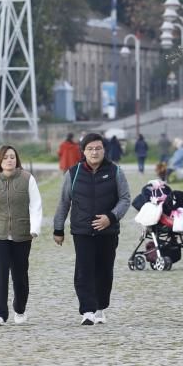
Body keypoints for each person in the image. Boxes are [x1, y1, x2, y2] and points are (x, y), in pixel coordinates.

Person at [53, 132, 131, 325]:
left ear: (104, 150)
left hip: (108, 231)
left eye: (98, 148)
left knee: (104, 271)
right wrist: (58, 228)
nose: (94, 152)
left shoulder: (116, 171)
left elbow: (125, 199)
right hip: (82, 231)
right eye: (90, 149)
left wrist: (110, 218)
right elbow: (64, 202)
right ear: (83, 151)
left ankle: (100, 307)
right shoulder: (73, 173)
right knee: (84, 270)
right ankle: (87, 310)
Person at [0, 145, 42, 326]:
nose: (9, 160)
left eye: (12, 157)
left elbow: (36, 206)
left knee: (20, 275)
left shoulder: (28, 179)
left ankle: (20, 309)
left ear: (17, 159)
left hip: (22, 234)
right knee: (0, 274)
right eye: (5, 157)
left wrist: (35, 228)